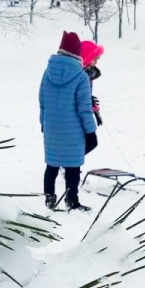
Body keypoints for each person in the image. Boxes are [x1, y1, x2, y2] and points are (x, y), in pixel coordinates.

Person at [39, 31, 98, 211]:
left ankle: (49, 199)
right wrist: (91, 131)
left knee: (52, 164)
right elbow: (84, 108)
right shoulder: (81, 76)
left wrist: (44, 123)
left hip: (51, 128)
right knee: (72, 166)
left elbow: (42, 101)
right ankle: (71, 200)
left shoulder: (47, 73)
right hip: (73, 130)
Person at [80, 40, 105, 126]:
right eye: (94, 59)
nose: (96, 62)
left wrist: (91, 103)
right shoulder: (79, 76)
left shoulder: (88, 73)